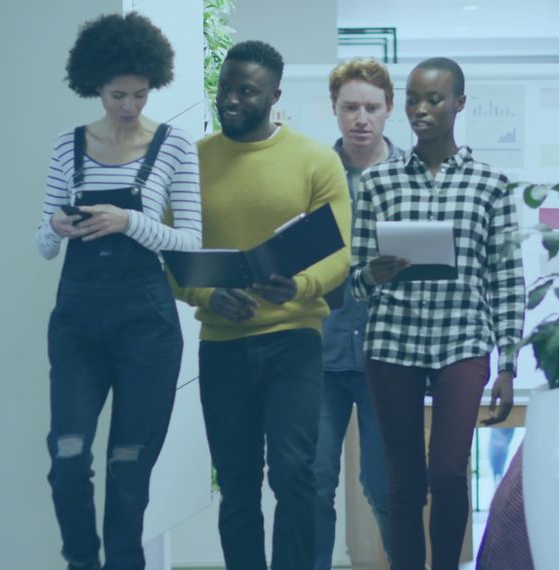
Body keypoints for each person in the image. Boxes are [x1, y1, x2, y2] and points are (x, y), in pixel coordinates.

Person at [172, 40, 351, 570]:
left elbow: (341, 255)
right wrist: (208, 295)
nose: (230, 99)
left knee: (296, 474)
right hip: (222, 344)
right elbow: (170, 259)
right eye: (225, 87)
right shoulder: (192, 162)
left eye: (244, 91)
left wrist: (298, 287)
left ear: (273, 95)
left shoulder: (316, 160)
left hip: (294, 341)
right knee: (237, 483)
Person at [34, 12, 202, 570]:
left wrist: (127, 222)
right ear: (94, 86)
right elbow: (41, 240)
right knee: (68, 456)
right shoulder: (68, 146)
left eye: (139, 93)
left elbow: (190, 241)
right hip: (78, 323)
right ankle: (82, 560)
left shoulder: (174, 146)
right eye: (116, 95)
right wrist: (56, 228)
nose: (129, 106)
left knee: (129, 469)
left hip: (146, 325)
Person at [349, 57, 526, 570]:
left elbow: (506, 278)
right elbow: (356, 284)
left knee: (449, 472)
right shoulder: (377, 183)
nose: (421, 110)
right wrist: (372, 275)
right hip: (392, 341)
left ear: (460, 104)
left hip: (462, 341)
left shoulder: (490, 184)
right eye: (413, 100)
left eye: (435, 99)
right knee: (403, 479)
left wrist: (509, 362)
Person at [313, 57, 403, 570]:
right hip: (319, 354)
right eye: (350, 107)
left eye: (371, 107)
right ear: (334, 110)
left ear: (389, 109)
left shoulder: (415, 179)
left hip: (386, 355)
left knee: (386, 484)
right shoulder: (313, 176)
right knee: (314, 481)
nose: (360, 119)